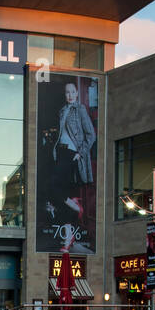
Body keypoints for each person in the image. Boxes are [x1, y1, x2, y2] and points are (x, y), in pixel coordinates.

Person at [48, 80, 95, 242]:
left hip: (71, 153)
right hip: (60, 152)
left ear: (76, 93)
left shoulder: (80, 109)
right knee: (63, 192)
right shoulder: (62, 111)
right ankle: (69, 235)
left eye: (72, 92)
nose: (69, 95)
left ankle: (77, 207)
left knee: (54, 186)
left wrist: (79, 153)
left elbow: (91, 135)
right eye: (67, 92)